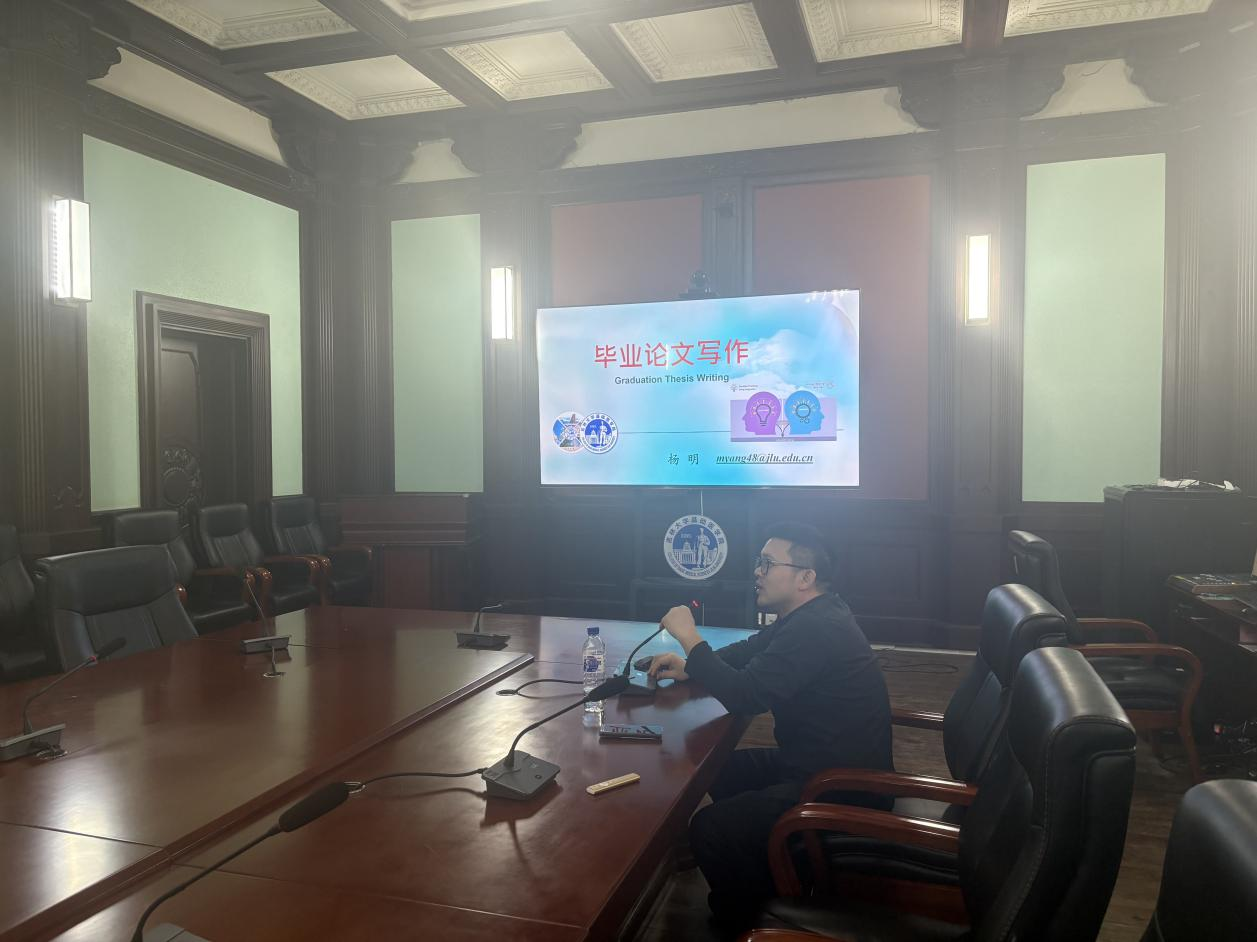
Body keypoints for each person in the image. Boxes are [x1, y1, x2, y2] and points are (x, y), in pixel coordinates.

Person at [646, 522, 892, 931]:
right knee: (718, 768)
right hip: (817, 763)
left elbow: (746, 695)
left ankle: (751, 925)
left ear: (805, 578)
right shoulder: (811, 614)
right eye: (758, 562)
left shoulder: (816, 627)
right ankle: (771, 871)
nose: (756, 572)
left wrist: (689, 637)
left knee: (711, 828)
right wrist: (692, 667)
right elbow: (750, 651)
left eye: (767, 564)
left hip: (841, 786)